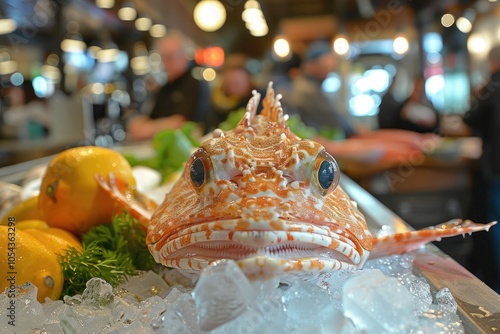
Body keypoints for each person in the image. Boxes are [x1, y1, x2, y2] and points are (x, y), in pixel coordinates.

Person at [463, 45, 500, 292]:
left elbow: (470, 118)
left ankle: (496, 282)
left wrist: (479, 93)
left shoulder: (494, 84)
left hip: (497, 167)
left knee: (497, 223)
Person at [127, 31, 210, 140]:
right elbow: (152, 117)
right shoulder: (166, 86)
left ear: (184, 56)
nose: (165, 62)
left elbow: (182, 122)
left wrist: (146, 128)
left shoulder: (195, 82)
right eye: (162, 57)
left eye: (170, 57)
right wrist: (137, 123)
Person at [288, 40, 355, 138]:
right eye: (326, 61)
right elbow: (335, 120)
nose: (330, 67)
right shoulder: (307, 89)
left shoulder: (307, 85)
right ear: (310, 64)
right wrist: (354, 132)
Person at [207, 54, 255, 131]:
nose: (232, 89)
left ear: (247, 81)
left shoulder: (255, 101)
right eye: (228, 84)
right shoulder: (217, 100)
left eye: (236, 84)